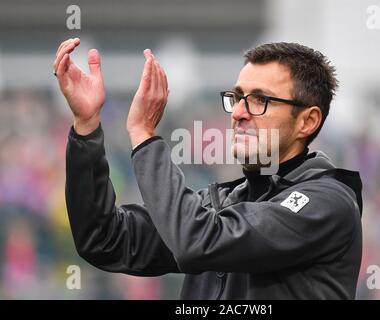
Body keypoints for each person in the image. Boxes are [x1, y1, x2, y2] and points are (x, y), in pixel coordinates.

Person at [54, 38, 363, 299]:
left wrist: (145, 137)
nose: (239, 112)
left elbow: (198, 243)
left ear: (307, 121)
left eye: (260, 100)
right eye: (238, 97)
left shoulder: (327, 203)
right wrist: (87, 127)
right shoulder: (223, 203)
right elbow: (104, 239)